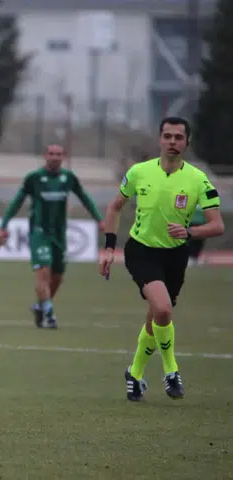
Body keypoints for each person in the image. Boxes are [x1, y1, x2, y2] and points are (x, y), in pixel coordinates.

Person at [99, 116, 224, 402]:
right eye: (167, 136)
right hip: (141, 250)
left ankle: (135, 373)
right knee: (164, 309)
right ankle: (171, 370)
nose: (172, 142)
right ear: (159, 139)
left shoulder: (198, 180)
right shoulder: (138, 172)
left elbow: (217, 225)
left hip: (176, 254)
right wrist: (108, 248)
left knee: (156, 316)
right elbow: (115, 207)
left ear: (186, 142)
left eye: (178, 137)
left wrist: (190, 231)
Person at [0, 144, 104, 329]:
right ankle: (49, 314)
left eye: (59, 154)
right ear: (45, 155)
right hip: (39, 232)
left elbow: (84, 197)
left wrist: (99, 220)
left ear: (63, 157)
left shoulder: (68, 178)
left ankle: (40, 306)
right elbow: (17, 201)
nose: (55, 157)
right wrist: (4, 224)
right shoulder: (34, 178)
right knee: (43, 273)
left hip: (59, 234)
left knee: (58, 277)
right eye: (52, 154)